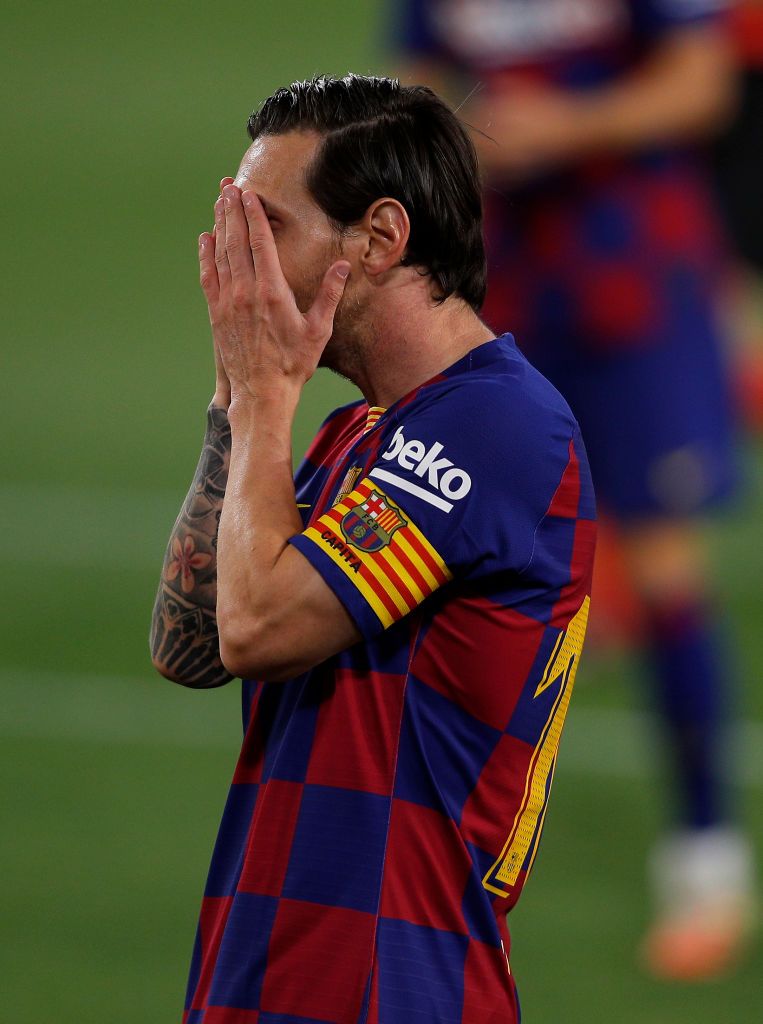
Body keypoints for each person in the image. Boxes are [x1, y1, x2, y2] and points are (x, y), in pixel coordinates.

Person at [150, 74, 595, 1024]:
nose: (238, 261)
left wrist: (267, 391)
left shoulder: (498, 423)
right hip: (265, 970)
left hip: (390, 985)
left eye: (266, 226)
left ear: (381, 238)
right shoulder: (358, 435)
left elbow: (258, 628)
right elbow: (186, 647)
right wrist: (237, 403)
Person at [393, 0, 756, 981]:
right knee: (455, 561)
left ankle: (705, 857)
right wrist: (454, 137)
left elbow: (702, 81)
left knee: (665, 567)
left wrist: (566, 127)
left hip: (634, 278)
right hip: (497, 274)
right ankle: (441, 855)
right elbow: (419, 74)